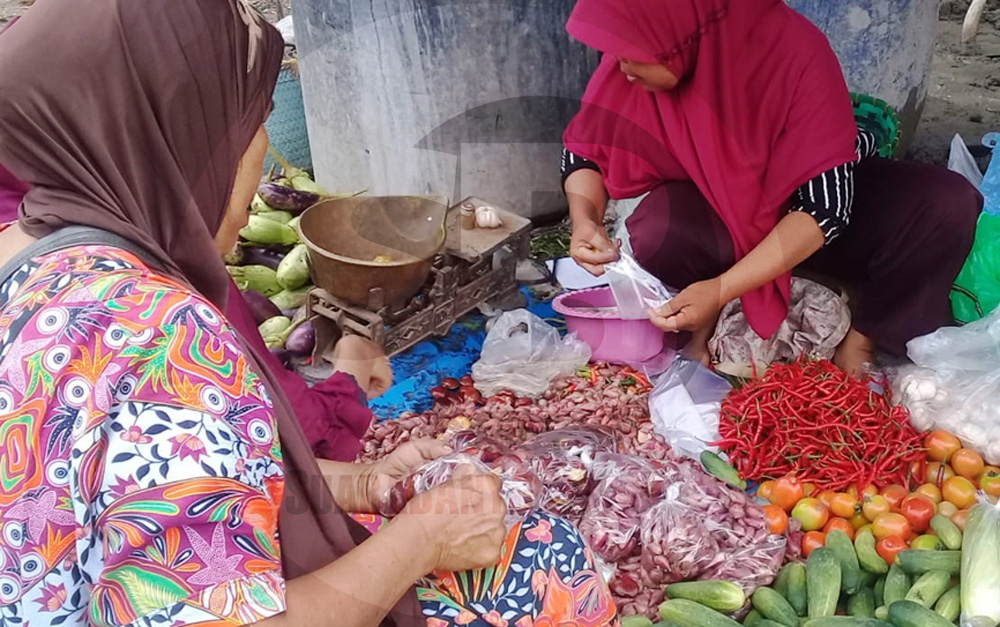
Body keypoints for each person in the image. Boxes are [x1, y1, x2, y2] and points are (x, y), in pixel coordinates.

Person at [0, 2, 618, 627]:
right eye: (249, 123)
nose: (262, 156)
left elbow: (148, 485)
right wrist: (423, 541)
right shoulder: (163, 335)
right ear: (183, 137)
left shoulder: (30, 263)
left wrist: (362, 482)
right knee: (546, 560)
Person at [561, 0, 983, 374]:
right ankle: (725, 313)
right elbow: (586, 151)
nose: (619, 67)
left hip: (809, 219)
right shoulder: (634, 62)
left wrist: (720, 288)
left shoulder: (794, 53)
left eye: (630, 56)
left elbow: (825, 210)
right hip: (721, 220)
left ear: (677, 39)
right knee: (659, 230)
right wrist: (586, 221)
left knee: (947, 202)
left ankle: (863, 337)